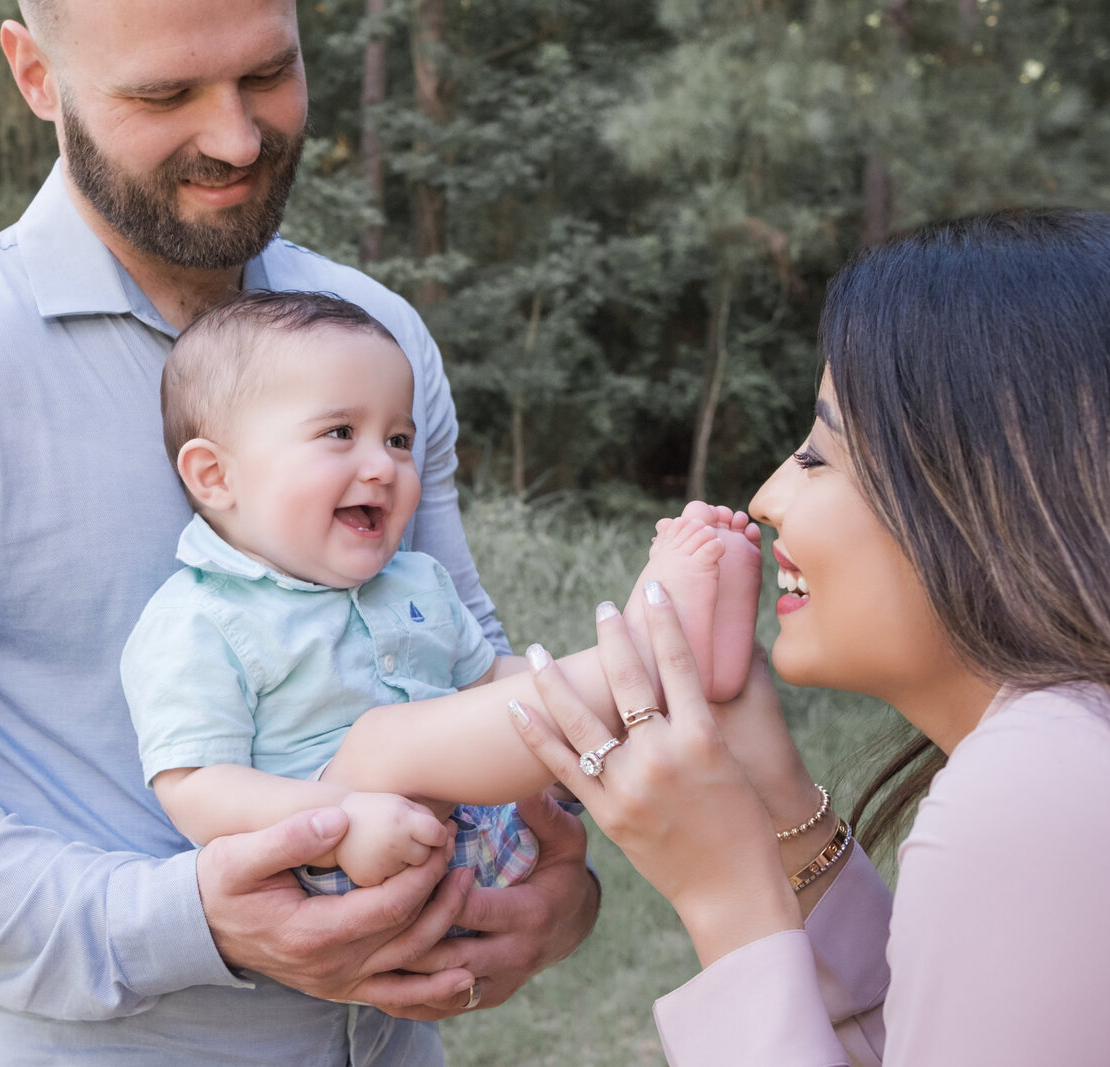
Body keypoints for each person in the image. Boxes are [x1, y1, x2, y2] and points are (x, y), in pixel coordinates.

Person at [0, 1, 603, 1063]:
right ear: (36, 74)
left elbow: (444, 628)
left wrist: (560, 890)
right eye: (165, 94)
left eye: (267, 75)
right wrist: (185, 920)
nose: (237, 140)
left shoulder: (378, 337)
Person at [508, 209, 1110, 1065]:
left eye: (819, 455)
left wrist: (725, 893)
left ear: (998, 485)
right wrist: (780, 798)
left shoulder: (1039, 784)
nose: (764, 496)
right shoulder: (1072, 751)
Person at [123, 289, 764, 903]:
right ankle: (644, 657)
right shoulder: (199, 616)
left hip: (482, 839)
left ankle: (675, 677)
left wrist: (554, 690)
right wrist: (340, 819)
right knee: (384, 741)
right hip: (338, 860)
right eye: (340, 432)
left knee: (524, 705)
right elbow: (196, 787)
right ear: (215, 475)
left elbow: (488, 684)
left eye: (399, 440)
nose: (383, 465)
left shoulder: (416, 581)